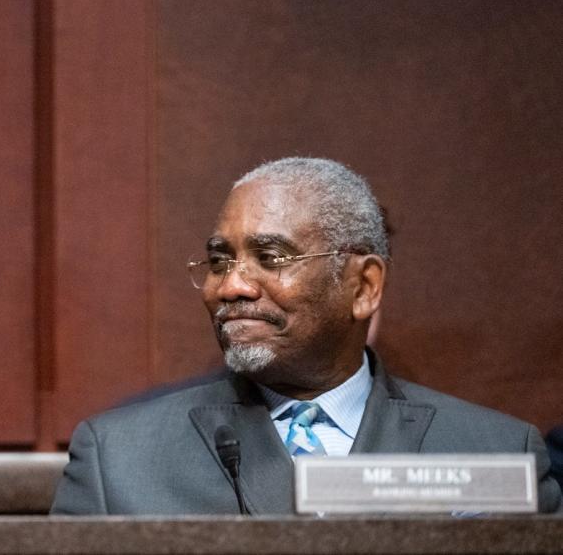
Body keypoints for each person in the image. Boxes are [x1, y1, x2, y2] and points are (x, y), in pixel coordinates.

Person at [52, 157, 560, 515]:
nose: (231, 286)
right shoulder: (119, 459)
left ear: (364, 286)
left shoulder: (495, 452)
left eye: (271, 259)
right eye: (218, 261)